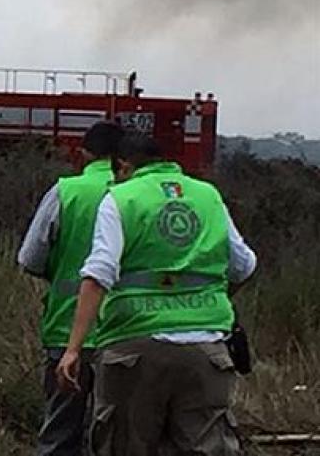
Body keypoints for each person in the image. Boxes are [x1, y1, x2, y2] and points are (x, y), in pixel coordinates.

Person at [57, 132, 257, 455]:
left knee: (124, 445)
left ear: (122, 166)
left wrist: (73, 349)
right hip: (206, 350)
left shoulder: (122, 198)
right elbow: (245, 265)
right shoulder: (208, 196)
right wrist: (209, 301)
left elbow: (98, 274)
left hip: (134, 347)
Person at [17, 121, 124, 456]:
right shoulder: (135, 195)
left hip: (66, 333)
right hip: (127, 332)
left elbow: (30, 258)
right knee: (119, 437)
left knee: (60, 433)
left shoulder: (65, 191)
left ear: (84, 152)